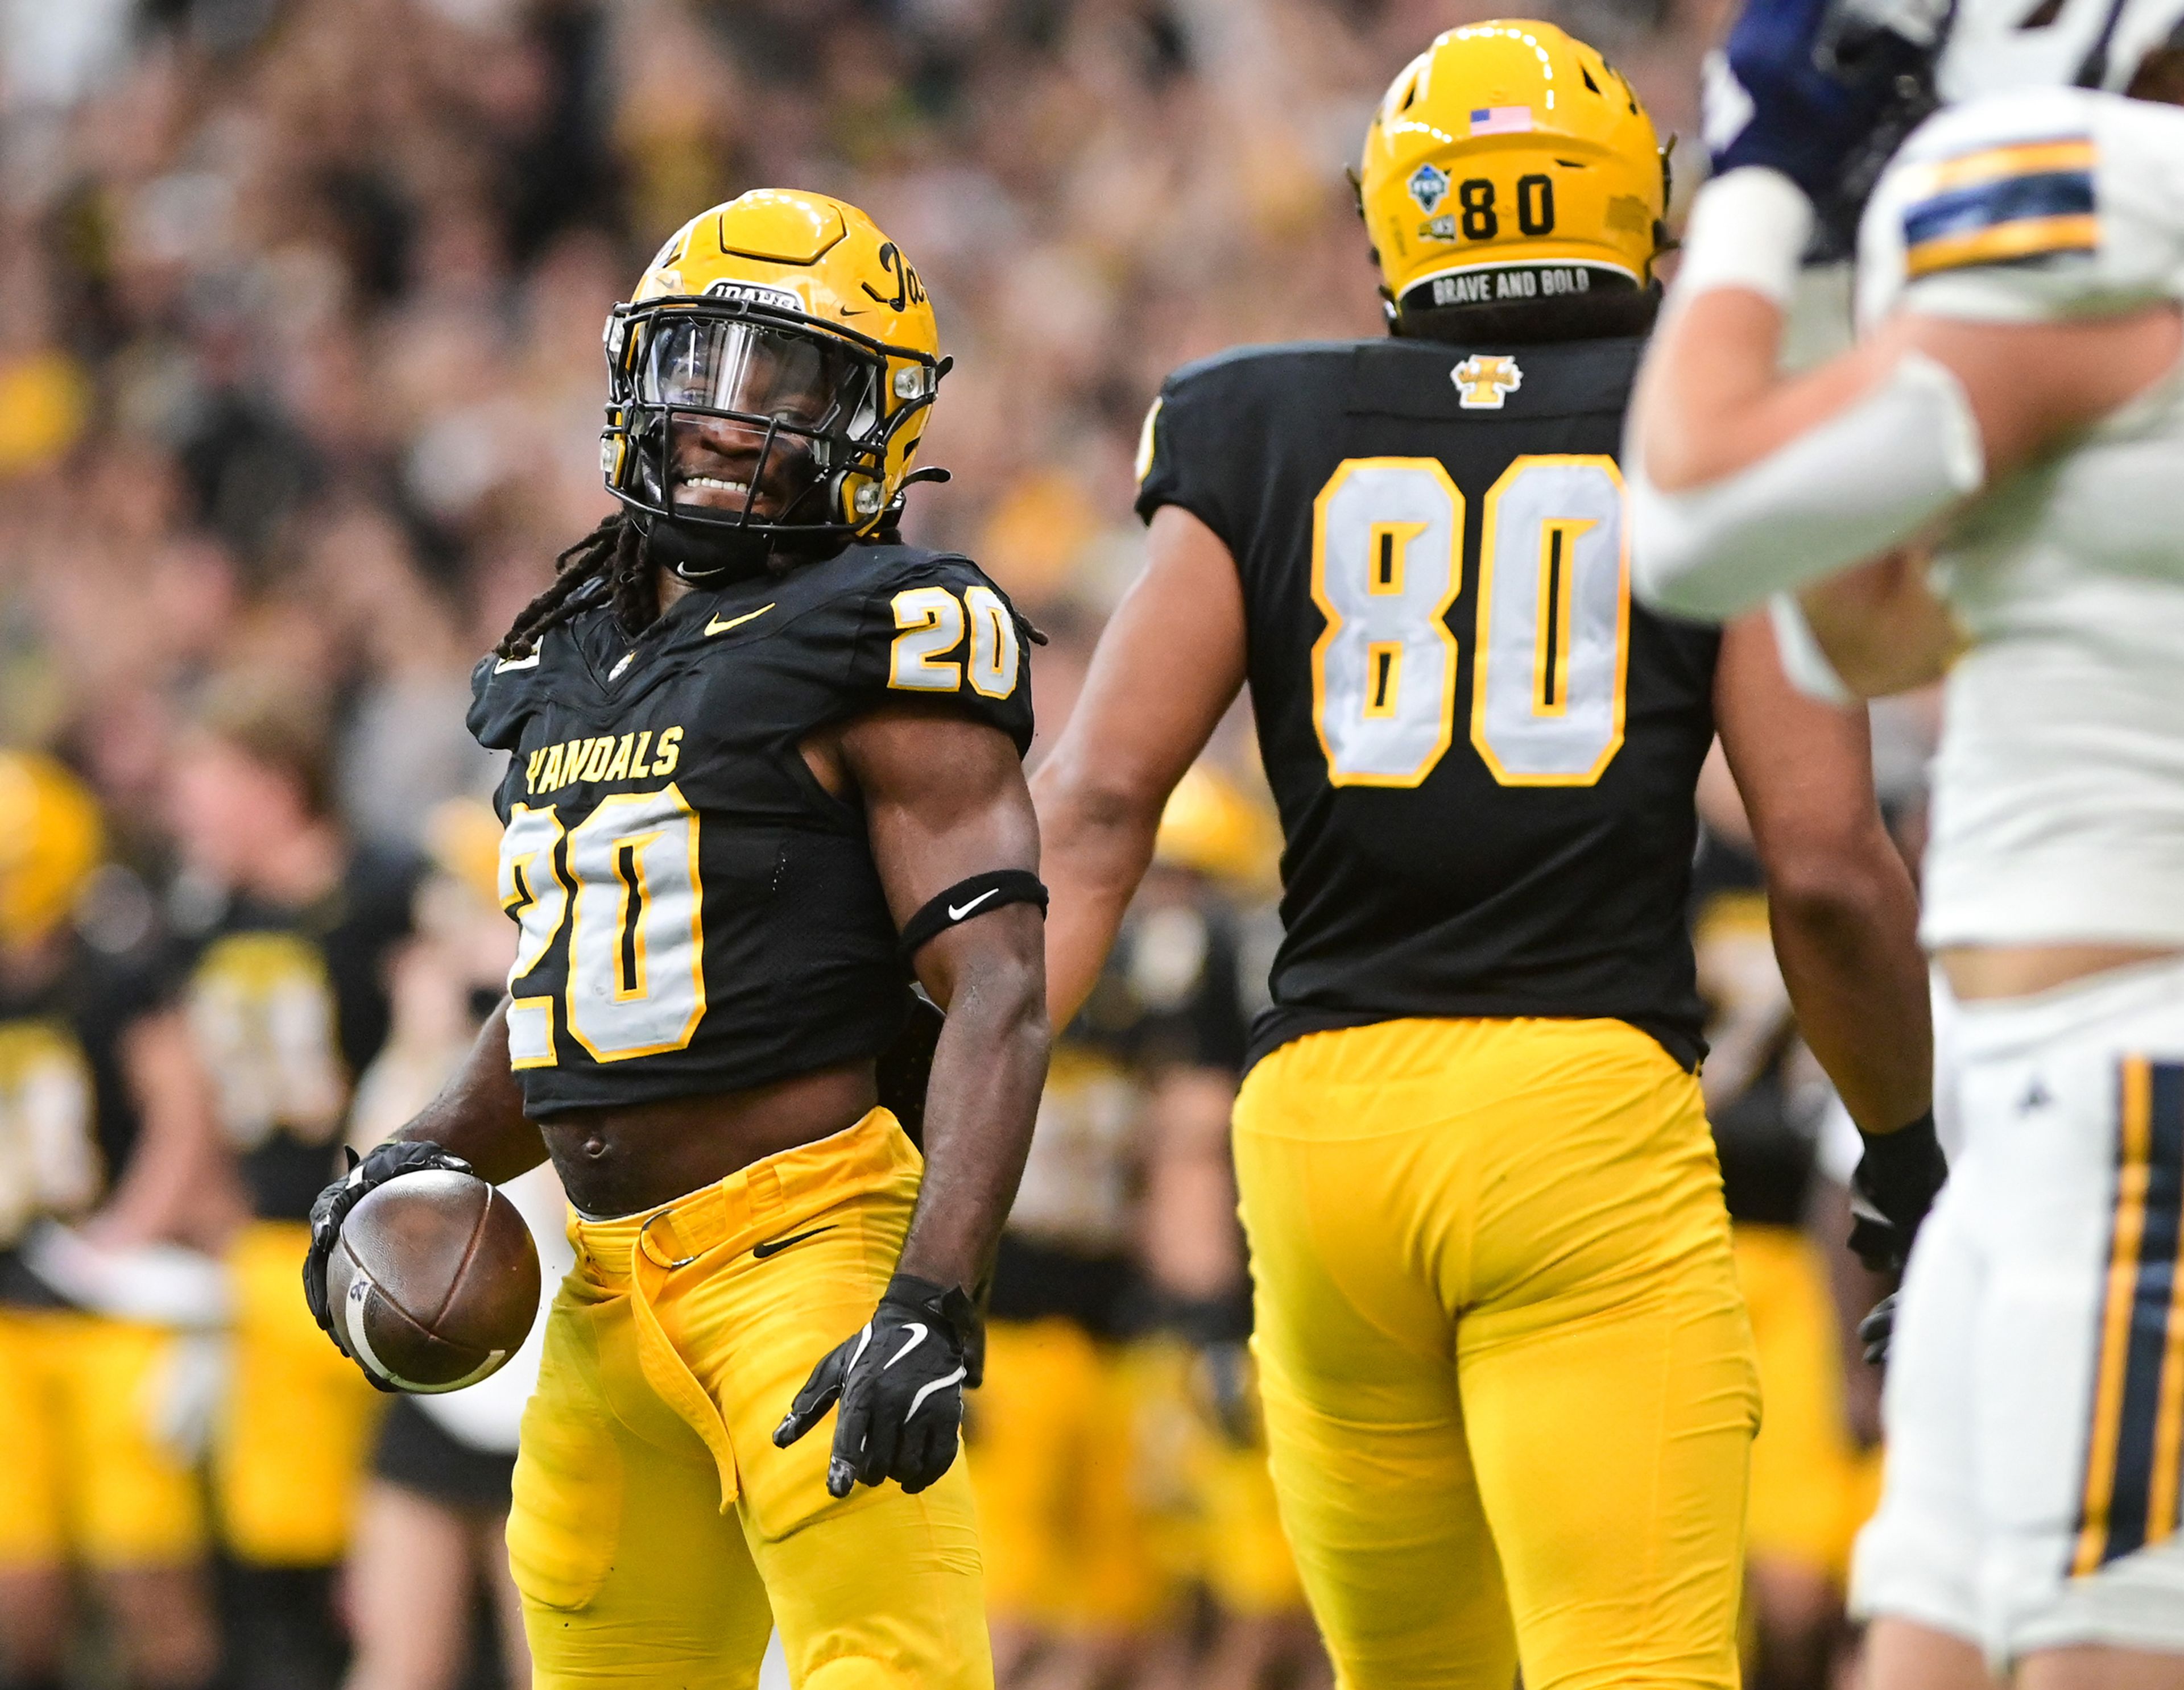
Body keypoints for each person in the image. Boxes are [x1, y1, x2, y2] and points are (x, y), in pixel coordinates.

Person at [1031, 23, 1935, 1690]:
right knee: (1633, 1660)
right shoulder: (1697, 425)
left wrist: (938, 1159)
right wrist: (1906, 1146)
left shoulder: (1255, 419)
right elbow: (1821, 859)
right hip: (1580, 1114)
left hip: (1320, 1139)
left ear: (1403, 220)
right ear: (1634, 211)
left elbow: (1091, 807)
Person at [300, 189, 1050, 1690]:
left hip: (805, 1254)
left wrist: (933, 1299)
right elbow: (572, 987)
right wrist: (419, 1146)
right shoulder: (572, 649)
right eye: (699, 365)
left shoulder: (885, 624)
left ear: (880, 423)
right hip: (599, 1289)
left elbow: (1004, 989)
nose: (722, 416)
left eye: (787, 381)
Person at [1626, 0, 2184, 1679]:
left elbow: (1695, 516)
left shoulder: (2103, 198)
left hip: (2127, 1088)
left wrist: (1760, 187)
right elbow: (1849, 629)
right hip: (2036, 1096)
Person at [166, 680, 425, 1689]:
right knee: (282, 1555)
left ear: (277, 784)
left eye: (208, 786)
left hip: (384, 1248)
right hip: (268, 1252)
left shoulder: (383, 891)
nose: (188, 814)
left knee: (408, 1540)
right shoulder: (211, 915)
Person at [0, 752, 226, 1690]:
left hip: (110, 1306)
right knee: (21, 1590)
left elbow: (182, 1114)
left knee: (149, 1575)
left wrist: (121, 1239)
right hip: (12, 1313)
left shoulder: (113, 966)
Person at [340, 801, 562, 1690]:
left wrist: (502, 1030)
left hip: (548, 1389)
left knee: (551, 1668)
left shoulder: (571, 1019)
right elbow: (361, 1206)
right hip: (438, 1382)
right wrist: (421, 1040)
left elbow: (556, 1203)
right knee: (399, 1665)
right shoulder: (421, 1033)